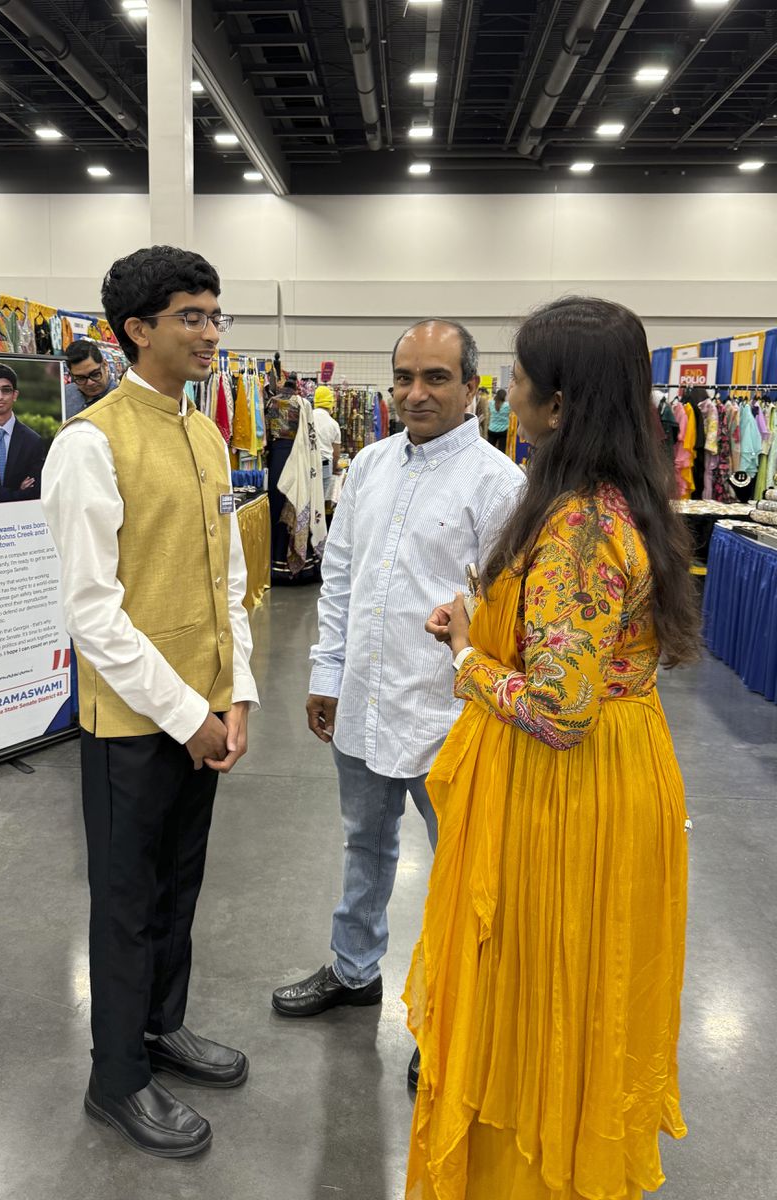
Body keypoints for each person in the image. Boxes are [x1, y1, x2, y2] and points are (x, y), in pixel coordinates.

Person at [405, 297, 701, 1200]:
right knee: (575, 996)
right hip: (611, 769)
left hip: (566, 793)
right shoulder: (618, 498)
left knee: (545, 998)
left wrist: (465, 657)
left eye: (521, 382)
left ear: (560, 405)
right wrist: (492, 624)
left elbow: (556, 709)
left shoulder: (574, 524)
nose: (509, 397)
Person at [41, 246, 259, 1160]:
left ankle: (162, 1028)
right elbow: (93, 612)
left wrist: (237, 694)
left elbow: (230, 572)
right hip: (135, 724)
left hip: (204, 715)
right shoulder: (89, 442)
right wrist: (190, 714)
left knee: (181, 882)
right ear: (137, 330)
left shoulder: (206, 433)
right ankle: (115, 1077)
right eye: (191, 317)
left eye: (215, 316)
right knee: (126, 899)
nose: (211, 333)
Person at [271, 320, 526, 1081]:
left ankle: (453, 1013)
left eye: (436, 378)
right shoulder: (371, 465)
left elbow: (504, 615)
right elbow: (341, 576)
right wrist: (325, 672)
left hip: (450, 715)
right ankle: (355, 973)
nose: (415, 393)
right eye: (404, 376)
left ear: (472, 388)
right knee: (364, 845)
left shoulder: (498, 485)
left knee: (461, 870)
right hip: (365, 699)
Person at [265, 371, 326, 583]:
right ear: (296, 386)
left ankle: (276, 565)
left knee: (276, 510)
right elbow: (310, 438)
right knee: (298, 502)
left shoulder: (271, 402)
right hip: (297, 457)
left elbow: (265, 434)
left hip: (276, 459)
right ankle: (302, 567)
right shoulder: (302, 404)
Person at [0, 362, 45, 503]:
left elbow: (35, 493)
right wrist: (17, 492)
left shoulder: (33, 441)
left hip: (20, 522)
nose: (0, 396)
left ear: (15, 395)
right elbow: (23, 495)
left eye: (6, 390)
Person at [63, 340, 116, 419]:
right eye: (81, 378)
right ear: (71, 375)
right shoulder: (64, 394)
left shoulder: (121, 400)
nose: (90, 383)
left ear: (105, 365)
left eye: (95, 374)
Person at [312, 384, 342, 498]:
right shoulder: (333, 424)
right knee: (320, 501)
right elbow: (336, 454)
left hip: (308, 462)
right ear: (330, 403)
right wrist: (334, 468)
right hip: (325, 464)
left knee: (308, 501)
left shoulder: (307, 418)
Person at [486, 386, 510, 453]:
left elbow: (489, 412)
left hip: (491, 429)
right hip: (503, 431)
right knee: (502, 451)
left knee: (489, 450)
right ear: (504, 396)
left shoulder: (491, 403)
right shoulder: (507, 406)